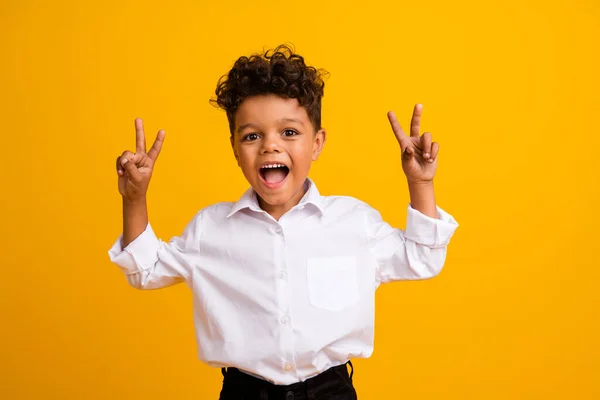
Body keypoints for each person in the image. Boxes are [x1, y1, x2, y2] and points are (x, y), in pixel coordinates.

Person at [108, 44, 459, 400]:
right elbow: (145, 270)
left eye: (289, 132)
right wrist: (135, 197)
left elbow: (423, 258)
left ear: (317, 143)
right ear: (234, 149)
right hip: (246, 393)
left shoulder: (353, 222)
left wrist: (421, 183)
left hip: (330, 391)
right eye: (252, 136)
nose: (270, 146)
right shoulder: (209, 229)